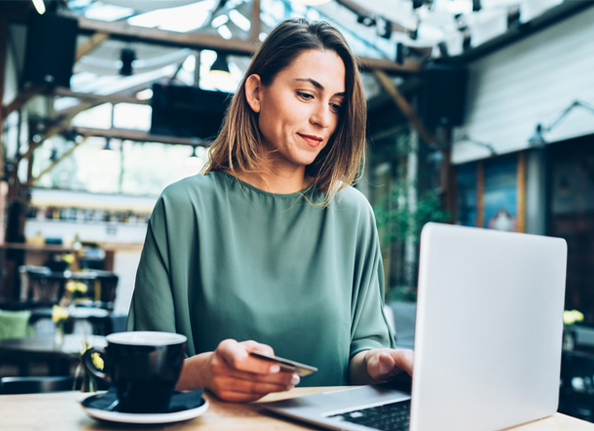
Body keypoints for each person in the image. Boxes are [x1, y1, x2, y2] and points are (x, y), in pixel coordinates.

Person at [127, 18, 413, 403]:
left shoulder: (351, 213)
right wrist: (203, 371)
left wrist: (381, 362)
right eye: (306, 95)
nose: (323, 119)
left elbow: (362, 350)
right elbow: (140, 369)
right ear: (257, 92)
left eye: (336, 104)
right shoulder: (183, 208)